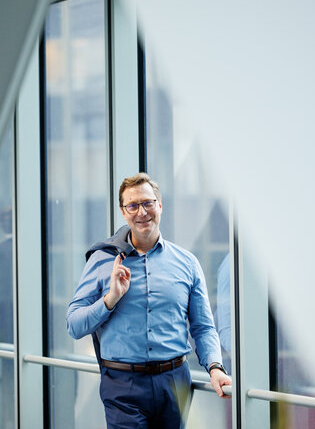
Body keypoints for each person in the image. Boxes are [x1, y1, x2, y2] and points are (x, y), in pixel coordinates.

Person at [67, 173, 231, 428]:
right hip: (123, 385)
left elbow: (203, 327)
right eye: (132, 205)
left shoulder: (187, 263)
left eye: (148, 203)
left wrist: (214, 367)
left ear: (160, 205)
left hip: (176, 382)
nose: (141, 212)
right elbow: (74, 325)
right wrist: (110, 300)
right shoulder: (101, 261)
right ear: (123, 212)